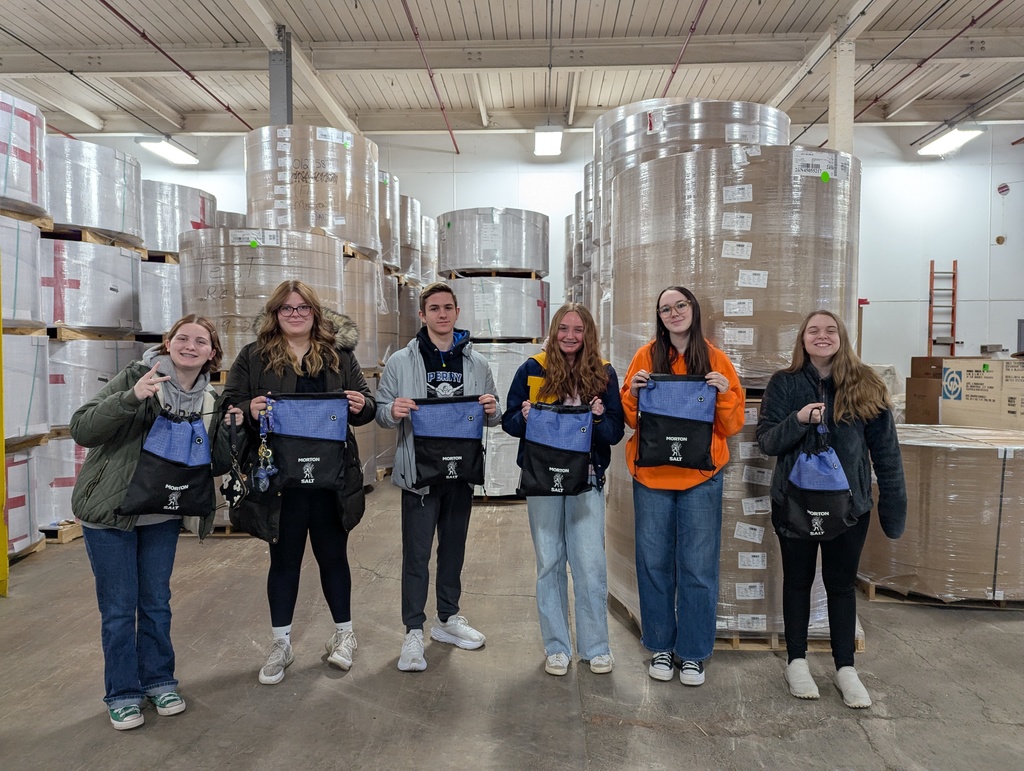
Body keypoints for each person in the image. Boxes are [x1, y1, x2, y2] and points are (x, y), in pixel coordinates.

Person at [72, 314, 238, 731]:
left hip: (161, 512)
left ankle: (159, 681)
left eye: (201, 341)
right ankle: (123, 692)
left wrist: (232, 433)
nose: (190, 346)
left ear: (212, 353)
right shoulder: (137, 376)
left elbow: (211, 465)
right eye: (182, 338)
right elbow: (83, 429)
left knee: (156, 603)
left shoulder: (211, 400)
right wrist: (131, 397)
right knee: (117, 609)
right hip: (112, 514)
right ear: (168, 343)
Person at [222, 280, 376, 685]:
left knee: (333, 557)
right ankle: (281, 643)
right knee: (284, 561)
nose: (295, 314)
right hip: (279, 480)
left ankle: (344, 635)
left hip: (331, 478)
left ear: (314, 313)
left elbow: (365, 404)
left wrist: (363, 404)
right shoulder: (253, 357)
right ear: (275, 314)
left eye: (302, 308)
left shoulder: (339, 355)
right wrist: (247, 409)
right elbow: (228, 406)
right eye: (287, 308)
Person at [756, 310, 906, 708]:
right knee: (797, 582)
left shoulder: (865, 384)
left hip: (850, 508)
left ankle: (845, 668)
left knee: (841, 586)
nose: (822, 336)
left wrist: (893, 503)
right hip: (795, 505)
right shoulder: (784, 383)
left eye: (830, 330)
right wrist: (799, 419)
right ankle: (797, 661)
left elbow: (886, 453)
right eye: (813, 331)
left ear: (842, 337)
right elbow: (767, 441)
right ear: (802, 339)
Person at [620, 286, 745, 687]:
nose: (673, 313)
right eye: (665, 309)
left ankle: (691, 654)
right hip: (652, 475)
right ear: (659, 317)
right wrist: (632, 393)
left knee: (698, 566)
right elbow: (631, 419)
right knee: (654, 562)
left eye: (680, 306)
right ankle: (660, 645)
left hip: (701, 478)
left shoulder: (716, 359)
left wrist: (725, 394)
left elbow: (733, 424)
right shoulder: (645, 357)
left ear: (693, 309)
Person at [375, 281, 500, 672]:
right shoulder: (400, 362)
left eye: (448, 308)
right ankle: (413, 631)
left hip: (460, 473)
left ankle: (447, 619)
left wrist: (493, 408)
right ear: (424, 315)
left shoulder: (477, 364)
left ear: (457, 313)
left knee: (453, 551)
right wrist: (392, 410)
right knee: (417, 555)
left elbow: (493, 415)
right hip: (420, 475)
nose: (442, 314)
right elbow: (380, 413)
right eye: (434, 308)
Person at [501, 303, 624, 676]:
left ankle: (596, 647)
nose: (570, 336)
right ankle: (557, 646)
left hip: (585, 480)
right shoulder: (532, 369)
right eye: (563, 329)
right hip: (542, 480)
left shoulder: (603, 374)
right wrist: (522, 417)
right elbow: (507, 422)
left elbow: (614, 433)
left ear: (589, 334)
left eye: (578, 329)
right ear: (554, 332)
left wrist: (600, 416)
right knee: (549, 563)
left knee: (589, 564)